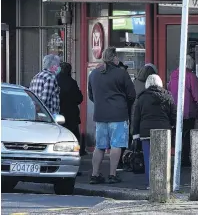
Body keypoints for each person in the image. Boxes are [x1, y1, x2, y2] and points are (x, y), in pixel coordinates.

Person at [88, 47, 136, 184]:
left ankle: (94, 174)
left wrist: (101, 103)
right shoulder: (121, 74)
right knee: (116, 144)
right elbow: (132, 94)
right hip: (118, 114)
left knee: (100, 146)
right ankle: (112, 174)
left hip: (100, 115)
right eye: (117, 57)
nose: (118, 59)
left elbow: (91, 95)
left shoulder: (94, 74)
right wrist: (124, 104)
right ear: (114, 57)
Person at [132, 74, 176, 189]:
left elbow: (136, 117)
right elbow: (173, 114)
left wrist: (135, 134)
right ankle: (164, 182)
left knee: (148, 158)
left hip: (146, 132)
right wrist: (172, 125)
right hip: (163, 131)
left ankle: (151, 183)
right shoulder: (167, 95)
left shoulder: (141, 97)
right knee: (164, 157)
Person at [168, 55, 198, 167]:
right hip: (187, 111)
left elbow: (169, 90)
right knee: (186, 136)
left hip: (175, 110)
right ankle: (185, 159)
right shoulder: (191, 76)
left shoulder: (173, 75)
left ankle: (178, 156)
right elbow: (196, 96)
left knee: (178, 134)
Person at [57, 62, 85, 156]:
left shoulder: (55, 80)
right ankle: (76, 152)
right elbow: (79, 98)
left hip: (58, 113)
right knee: (74, 137)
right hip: (71, 114)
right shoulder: (72, 82)